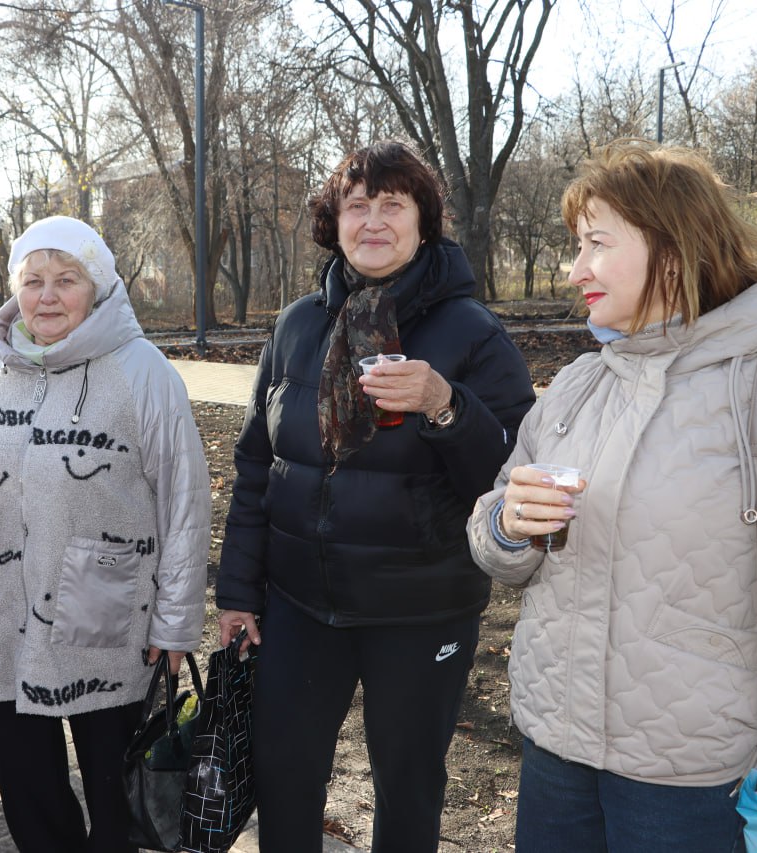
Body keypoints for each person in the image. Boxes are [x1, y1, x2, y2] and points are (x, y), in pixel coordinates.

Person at [467, 141, 757, 852]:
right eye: (574, 247)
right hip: (556, 756)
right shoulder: (580, 385)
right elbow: (493, 532)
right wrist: (508, 522)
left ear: (672, 250)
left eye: (596, 245)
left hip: (692, 785)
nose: (573, 269)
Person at [215, 141, 536, 852]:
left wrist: (446, 404)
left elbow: (516, 477)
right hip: (300, 603)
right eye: (357, 205)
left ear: (425, 220)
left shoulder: (472, 332)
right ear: (335, 222)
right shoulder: (299, 323)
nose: (374, 220)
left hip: (421, 609)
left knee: (408, 784)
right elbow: (255, 464)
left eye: (394, 203)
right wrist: (237, 590)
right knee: (285, 775)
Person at [0, 216, 209, 851]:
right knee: (31, 800)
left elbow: (185, 506)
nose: (47, 296)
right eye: (33, 281)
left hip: (105, 622)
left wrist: (174, 625)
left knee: (117, 803)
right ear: (15, 290)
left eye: (66, 280)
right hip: (4, 614)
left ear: (100, 287)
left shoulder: (143, 373)